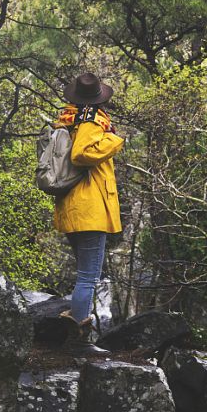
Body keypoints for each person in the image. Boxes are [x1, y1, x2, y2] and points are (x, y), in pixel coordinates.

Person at [52, 72, 125, 348]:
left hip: (74, 206)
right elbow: (81, 154)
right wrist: (113, 140)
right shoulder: (92, 122)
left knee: (84, 274)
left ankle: (73, 331)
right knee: (88, 278)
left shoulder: (69, 120)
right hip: (90, 208)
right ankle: (78, 341)